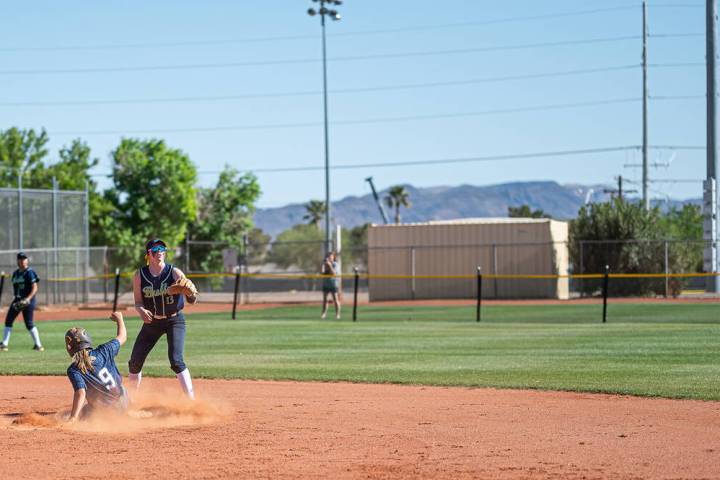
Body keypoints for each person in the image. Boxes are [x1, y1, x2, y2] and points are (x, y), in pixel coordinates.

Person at [127, 239, 197, 400]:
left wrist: (190, 293)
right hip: (152, 322)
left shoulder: (175, 273)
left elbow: (192, 301)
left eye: (162, 249)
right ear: (148, 254)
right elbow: (138, 302)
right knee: (135, 362)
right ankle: (131, 402)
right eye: (155, 249)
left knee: (176, 361)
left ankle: (191, 402)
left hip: (174, 321)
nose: (160, 252)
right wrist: (140, 310)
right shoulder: (139, 276)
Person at [66, 311, 128, 422]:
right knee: (122, 388)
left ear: (70, 347)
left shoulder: (74, 369)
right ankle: (128, 413)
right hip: (124, 401)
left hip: (104, 412)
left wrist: (73, 417)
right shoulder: (104, 350)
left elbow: (80, 393)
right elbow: (122, 337)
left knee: (79, 413)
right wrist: (120, 319)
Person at [1, 252, 43, 352]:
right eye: (21, 259)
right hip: (18, 299)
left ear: (27, 260)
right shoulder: (15, 273)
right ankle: (4, 344)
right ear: (18, 261)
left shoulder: (30, 272)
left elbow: (35, 287)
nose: (23, 260)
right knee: (8, 320)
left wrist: (28, 298)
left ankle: (38, 345)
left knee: (29, 323)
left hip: (28, 300)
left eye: (24, 259)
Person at [320, 251, 341, 320]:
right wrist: (323, 265)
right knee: (325, 300)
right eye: (328, 256)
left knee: (335, 299)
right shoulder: (325, 264)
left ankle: (337, 314)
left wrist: (330, 265)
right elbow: (322, 273)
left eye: (331, 256)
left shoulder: (335, 264)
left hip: (333, 284)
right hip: (326, 284)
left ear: (333, 257)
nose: (329, 257)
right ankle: (324, 314)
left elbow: (334, 274)